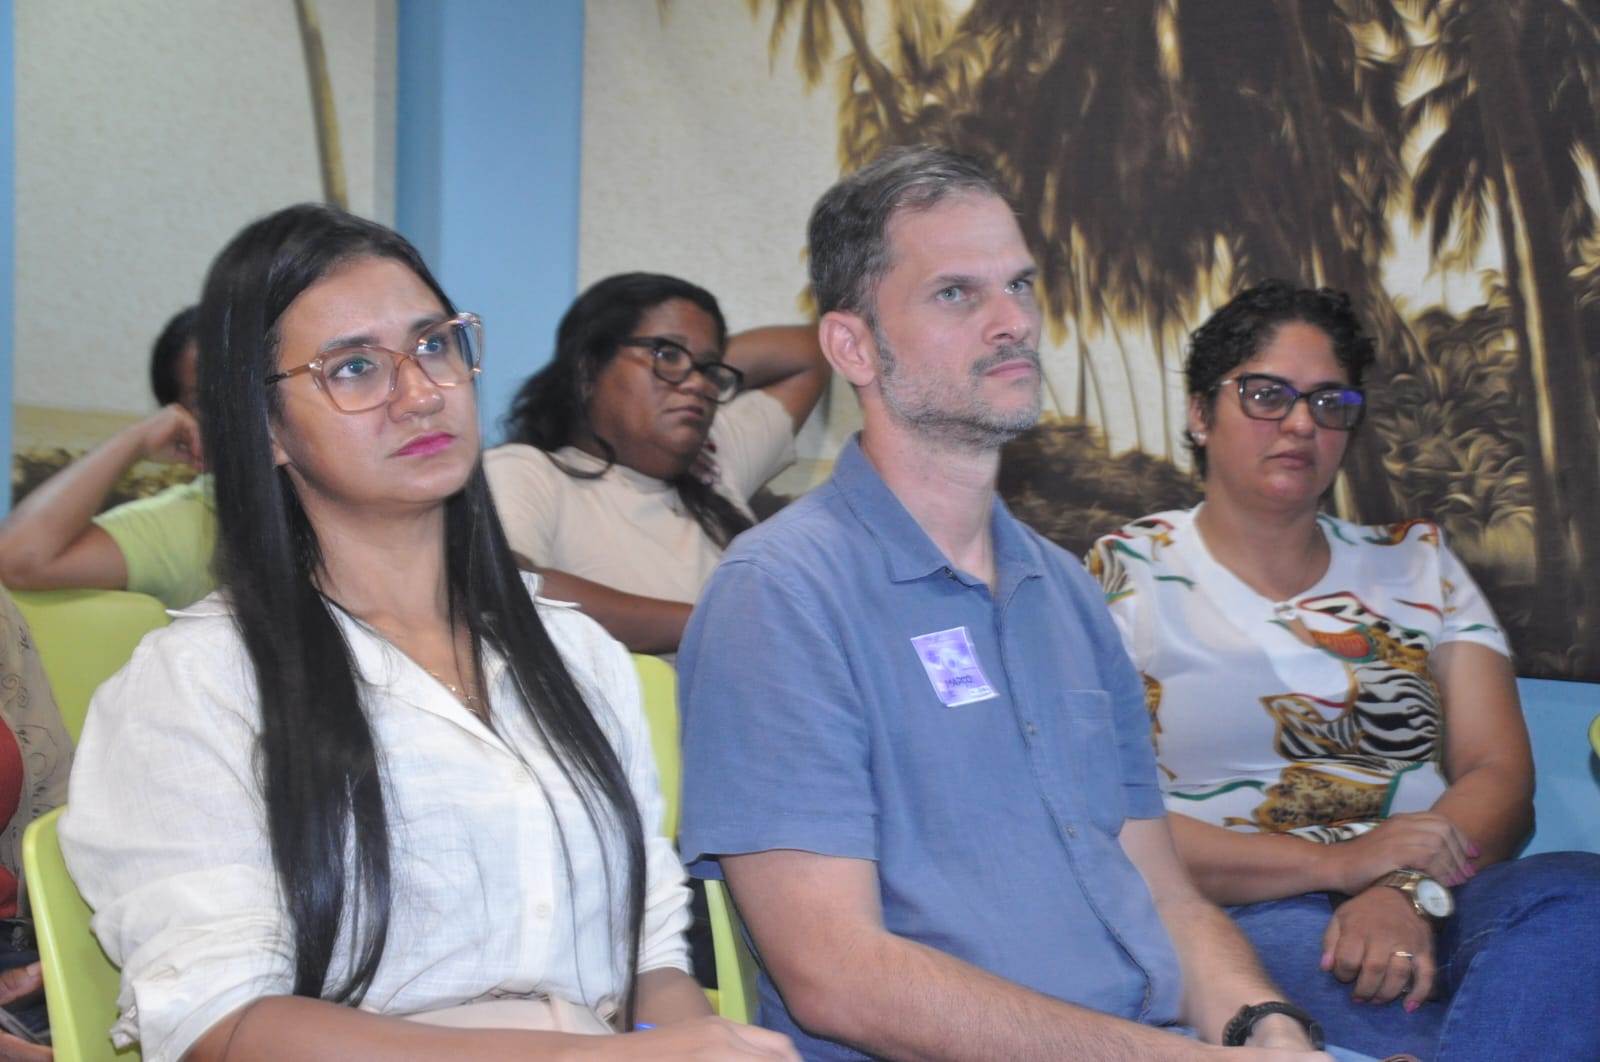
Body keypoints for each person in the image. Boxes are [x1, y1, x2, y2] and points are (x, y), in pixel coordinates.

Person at [56, 204, 797, 1062]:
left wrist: (696, 1045)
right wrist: (583, 1059)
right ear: (265, 428)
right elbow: (221, 1022)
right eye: (354, 368)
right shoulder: (198, 681)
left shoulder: (577, 656)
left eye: (435, 346)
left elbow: (648, 959)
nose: (419, 393)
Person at [678, 147, 1341, 1061]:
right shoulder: (781, 594)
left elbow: (1162, 894)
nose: (1014, 322)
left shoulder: (1065, 590)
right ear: (852, 346)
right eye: (957, 293)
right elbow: (835, 974)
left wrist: (1264, 1027)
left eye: (1020, 285)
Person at [1087, 280, 1600, 1061]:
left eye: (1330, 402)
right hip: (1245, 909)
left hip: (1441, 891)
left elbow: (1498, 772)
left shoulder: (1418, 564)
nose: (1301, 423)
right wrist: (1338, 863)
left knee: (1578, 899)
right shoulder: (1125, 573)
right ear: (1200, 413)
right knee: (1429, 1027)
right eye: (1266, 394)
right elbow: (1098, 815)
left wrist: (1403, 890)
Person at [485, 273, 828, 654]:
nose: (699, 385)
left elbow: (808, 353)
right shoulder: (528, 471)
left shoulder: (715, 463)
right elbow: (504, 589)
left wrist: (692, 365)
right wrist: (722, 623)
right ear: (588, 370)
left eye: (709, 372)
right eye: (666, 355)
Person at [0, 306, 215, 609]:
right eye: (210, 397)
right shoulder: (187, 526)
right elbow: (16, 557)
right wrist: (137, 441)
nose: (249, 405)